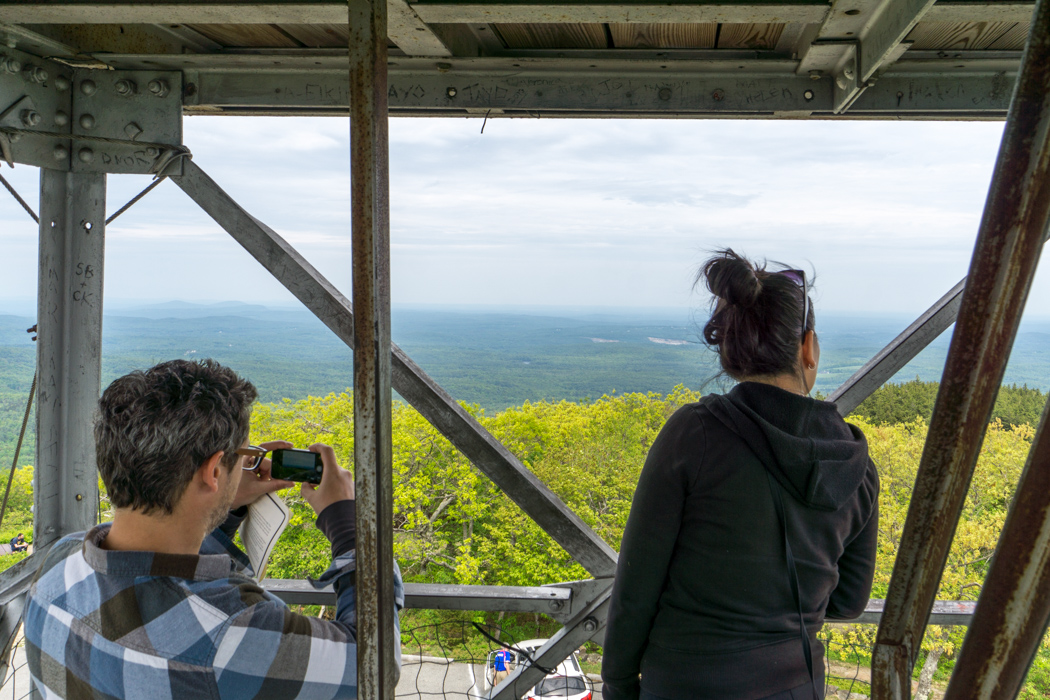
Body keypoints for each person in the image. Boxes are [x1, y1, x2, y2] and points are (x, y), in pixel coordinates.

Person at [24, 359, 404, 699]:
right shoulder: (230, 633)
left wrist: (223, 505)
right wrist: (348, 524)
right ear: (214, 470)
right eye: (242, 457)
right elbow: (374, 667)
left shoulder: (57, 561)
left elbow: (157, 576)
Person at [601, 250, 879, 700]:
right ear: (808, 348)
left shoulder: (695, 434)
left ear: (730, 353)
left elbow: (637, 586)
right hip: (796, 686)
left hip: (685, 684)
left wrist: (617, 683)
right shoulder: (855, 462)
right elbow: (848, 602)